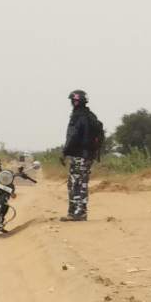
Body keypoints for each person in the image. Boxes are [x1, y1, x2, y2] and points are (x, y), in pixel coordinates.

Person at [61, 89, 104, 221]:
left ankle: (78, 212)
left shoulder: (78, 116)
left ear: (76, 101)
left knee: (76, 183)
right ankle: (77, 212)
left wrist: (65, 152)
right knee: (81, 182)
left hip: (79, 154)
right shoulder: (91, 116)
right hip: (88, 155)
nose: (72, 103)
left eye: (73, 101)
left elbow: (73, 136)